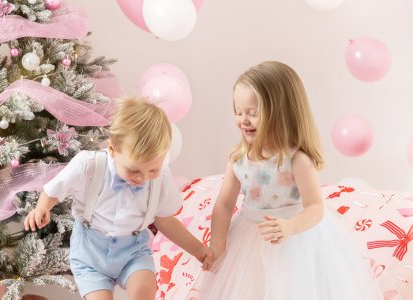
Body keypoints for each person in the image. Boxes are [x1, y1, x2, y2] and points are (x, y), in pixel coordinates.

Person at [191, 61, 382, 299]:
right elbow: (223, 205)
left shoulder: (295, 160)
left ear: (280, 113)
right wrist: (218, 244)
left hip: (296, 237)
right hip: (249, 238)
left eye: (252, 113)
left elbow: (315, 207)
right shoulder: (238, 159)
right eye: (238, 112)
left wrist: (290, 227)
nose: (243, 120)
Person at [24, 97, 212, 300]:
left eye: (152, 169)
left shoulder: (160, 180)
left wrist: (199, 250)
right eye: (133, 169)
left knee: (144, 291)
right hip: (90, 255)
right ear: (112, 149)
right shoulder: (89, 166)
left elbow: (165, 220)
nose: (141, 178)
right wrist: (42, 207)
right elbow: (54, 190)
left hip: (133, 251)